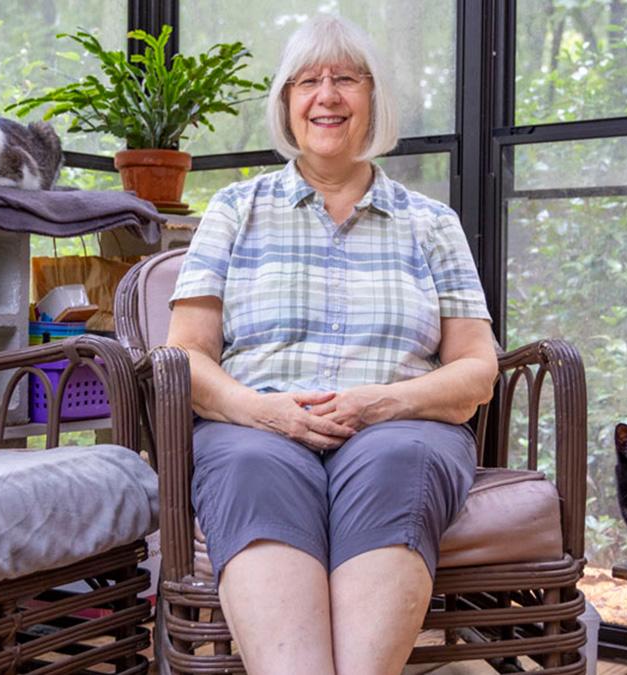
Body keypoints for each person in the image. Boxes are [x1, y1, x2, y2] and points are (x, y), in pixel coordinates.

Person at [166, 14, 497, 675]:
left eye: (346, 78)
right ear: (286, 103)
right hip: (257, 428)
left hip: (402, 430)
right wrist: (265, 411)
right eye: (307, 81)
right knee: (253, 465)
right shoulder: (235, 210)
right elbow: (185, 359)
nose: (328, 95)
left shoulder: (431, 223)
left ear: (373, 99)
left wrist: (384, 403)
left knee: (398, 458)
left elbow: (477, 369)